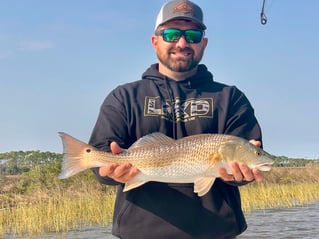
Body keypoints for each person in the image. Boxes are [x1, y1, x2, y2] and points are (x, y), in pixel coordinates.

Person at [89, 0, 264, 238]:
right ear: (155, 41)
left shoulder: (230, 98)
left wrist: (242, 174)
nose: (182, 43)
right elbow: (100, 154)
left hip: (217, 232)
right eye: (171, 34)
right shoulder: (124, 96)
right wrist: (107, 171)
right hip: (139, 231)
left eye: (192, 35)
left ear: (204, 43)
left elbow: (242, 162)